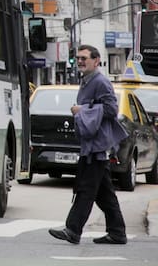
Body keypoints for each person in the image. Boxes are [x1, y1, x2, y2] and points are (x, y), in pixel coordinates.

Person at [48, 45, 129, 246]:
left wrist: (82, 110)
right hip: (91, 145)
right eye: (78, 58)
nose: (81, 61)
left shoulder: (100, 82)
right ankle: (117, 233)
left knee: (85, 189)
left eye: (84, 58)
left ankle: (73, 230)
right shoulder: (87, 81)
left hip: (97, 147)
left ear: (96, 60)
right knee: (104, 195)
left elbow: (111, 109)